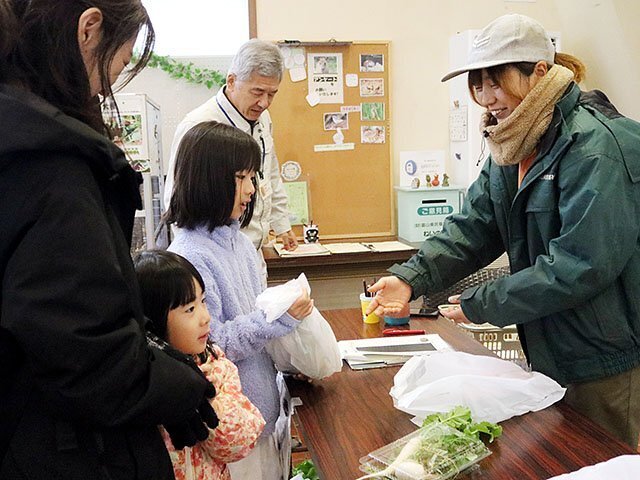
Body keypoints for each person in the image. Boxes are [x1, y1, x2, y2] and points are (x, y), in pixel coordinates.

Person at [368, 13, 640, 448]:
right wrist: (409, 278)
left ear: (541, 72)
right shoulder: (513, 144)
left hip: (603, 358)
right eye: (478, 84)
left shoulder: (595, 147)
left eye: (497, 82)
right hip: (549, 346)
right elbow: (474, 226)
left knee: (601, 463)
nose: (487, 98)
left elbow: (579, 266)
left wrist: (483, 302)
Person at [0, 1, 218, 478]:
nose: (107, 88)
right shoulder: (50, 169)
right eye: (118, 65)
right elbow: (81, 351)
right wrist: (180, 385)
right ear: (89, 29)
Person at [166, 120, 314, 480]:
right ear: (209, 178)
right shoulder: (189, 256)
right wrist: (281, 319)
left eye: (253, 177)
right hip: (229, 434)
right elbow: (211, 347)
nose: (252, 189)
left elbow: (254, 322)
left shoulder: (240, 243)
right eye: (242, 178)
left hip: (261, 418)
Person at [164, 39, 298, 284]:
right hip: (215, 260)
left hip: (251, 254)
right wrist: (197, 262)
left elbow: (270, 172)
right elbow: (176, 200)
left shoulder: (263, 118)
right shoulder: (199, 125)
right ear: (232, 81)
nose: (264, 103)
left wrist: (281, 223)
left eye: (272, 94)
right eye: (257, 92)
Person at [134, 250, 266, 480]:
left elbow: (237, 444)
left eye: (202, 301)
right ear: (152, 320)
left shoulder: (214, 364)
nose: (205, 317)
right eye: (190, 309)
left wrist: (204, 394)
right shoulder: (141, 377)